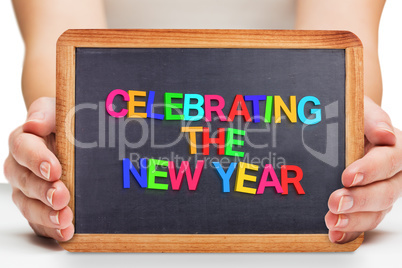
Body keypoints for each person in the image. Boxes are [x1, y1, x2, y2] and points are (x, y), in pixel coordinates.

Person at [4, 0, 401, 244]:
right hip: (117, 183)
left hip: (297, 199)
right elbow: (65, 52)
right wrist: (55, 147)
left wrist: (357, 134)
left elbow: (337, 49)